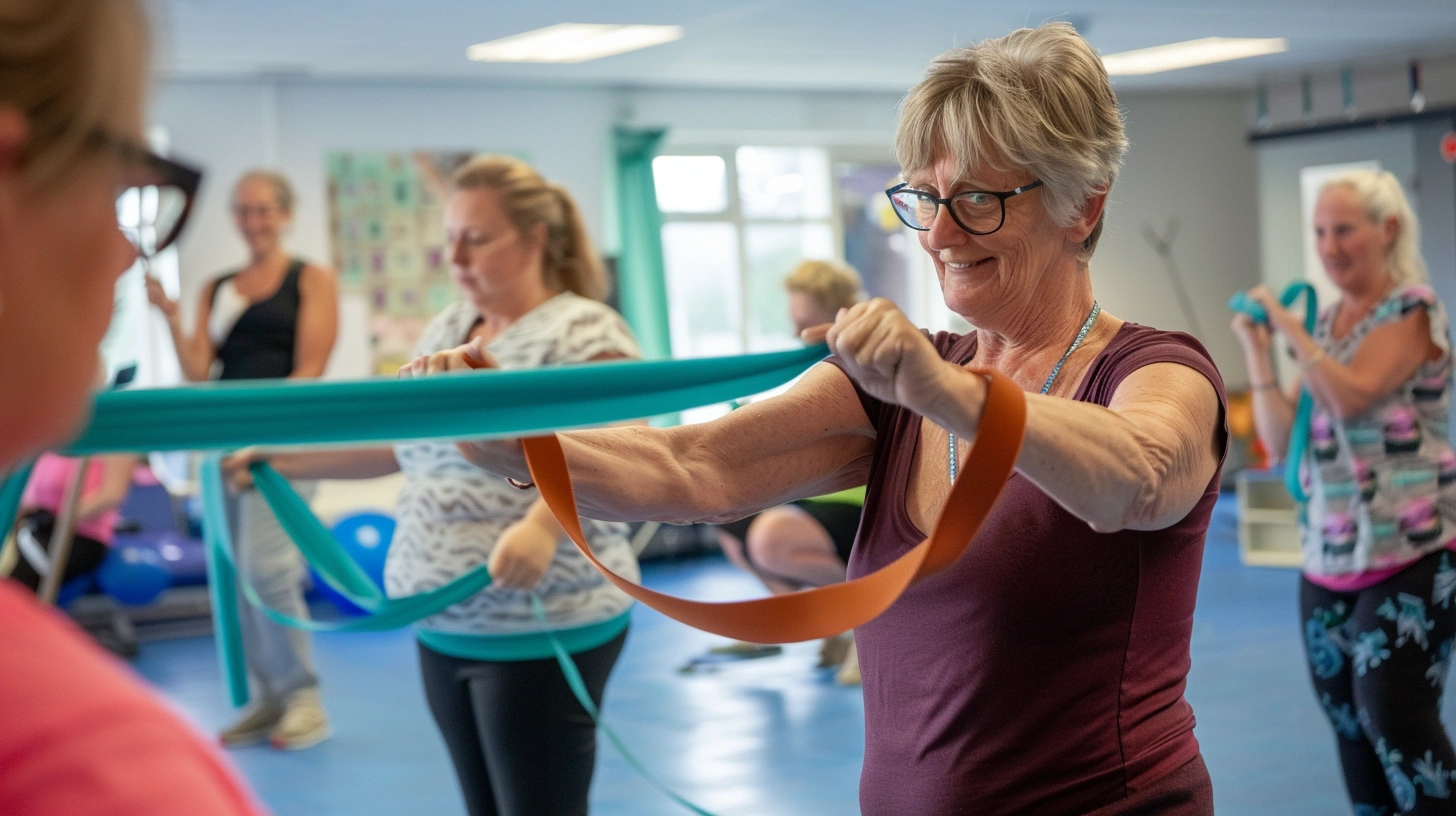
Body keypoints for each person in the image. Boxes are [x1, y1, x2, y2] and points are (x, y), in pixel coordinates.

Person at [424, 23, 1227, 816]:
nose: (941, 234)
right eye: (926, 198)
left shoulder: (1154, 370)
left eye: (979, 200)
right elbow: (690, 467)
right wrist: (515, 441)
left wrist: (948, 394)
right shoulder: (896, 383)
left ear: (1082, 205)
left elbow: (1139, 478)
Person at [227, 155, 642, 816]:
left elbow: (627, 448)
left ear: (535, 238)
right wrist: (282, 461)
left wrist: (540, 526)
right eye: (448, 236)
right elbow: (404, 442)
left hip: (544, 620)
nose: (454, 255)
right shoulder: (447, 329)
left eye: (475, 239)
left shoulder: (584, 329)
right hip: (442, 623)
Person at [0, 1, 265, 813]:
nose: (122, 247)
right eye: (117, 175)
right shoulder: (86, 766)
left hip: (261, 447)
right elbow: (200, 366)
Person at [1231, 169, 1456, 815]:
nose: (1329, 247)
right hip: (1330, 552)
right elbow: (1280, 440)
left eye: (1344, 230)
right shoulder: (1329, 321)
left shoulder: (1413, 310)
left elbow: (1351, 394)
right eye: (1321, 232)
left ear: (1386, 230)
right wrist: (1256, 350)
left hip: (1413, 549)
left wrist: (1290, 329)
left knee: (1396, 715)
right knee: (1350, 726)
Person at [147, 169, 339, 750]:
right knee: (233, 577)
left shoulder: (312, 280)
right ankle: (268, 699)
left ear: (285, 215)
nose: (252, 221)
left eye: (263, 210)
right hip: (223, 441)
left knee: (268, 569)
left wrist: (265, 442)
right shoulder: (217, 287)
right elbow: (199, 373)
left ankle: (306, 700)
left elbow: (310, 368)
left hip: (282, 443)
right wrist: (167, 314)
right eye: (242, 210)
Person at [712, 259, 866, 683]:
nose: (799, 331)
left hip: (856, 501)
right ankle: (806, 622)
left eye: (808, 321)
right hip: (807, 495)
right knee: (723, 516)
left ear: (834, 311)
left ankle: (864, 618)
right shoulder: (805, 363)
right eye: (795, 321)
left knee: (771, 538)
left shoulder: (859, 357)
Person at [10, 452, 139, 593]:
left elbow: (111, 495)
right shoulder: (51, 441)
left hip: (80, 537)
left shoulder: (114, 441)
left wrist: (58, 519)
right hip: (37, 528)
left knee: (17, 584)